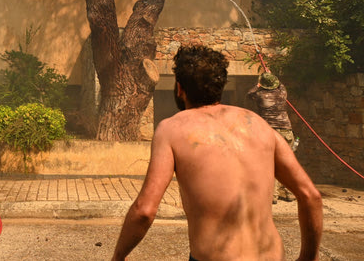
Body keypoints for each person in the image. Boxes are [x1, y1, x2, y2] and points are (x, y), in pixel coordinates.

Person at [112, 45, 322, 261]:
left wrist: (118, 257)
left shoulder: (171, 129)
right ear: (220, 86)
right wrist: (308, 257)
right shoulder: (259, 125)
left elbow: (145, 211)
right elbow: (311, 196)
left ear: (180, 89)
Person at [247, 71, 297, 204]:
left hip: (270, 131)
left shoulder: (259, 95)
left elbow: (249, 94)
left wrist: (258, 84)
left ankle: (273, 195)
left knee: (271, 163)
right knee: (287, 163)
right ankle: (289, 193)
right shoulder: (282, 93)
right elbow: (280, 84)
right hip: (287, 130)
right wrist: (270, 75)